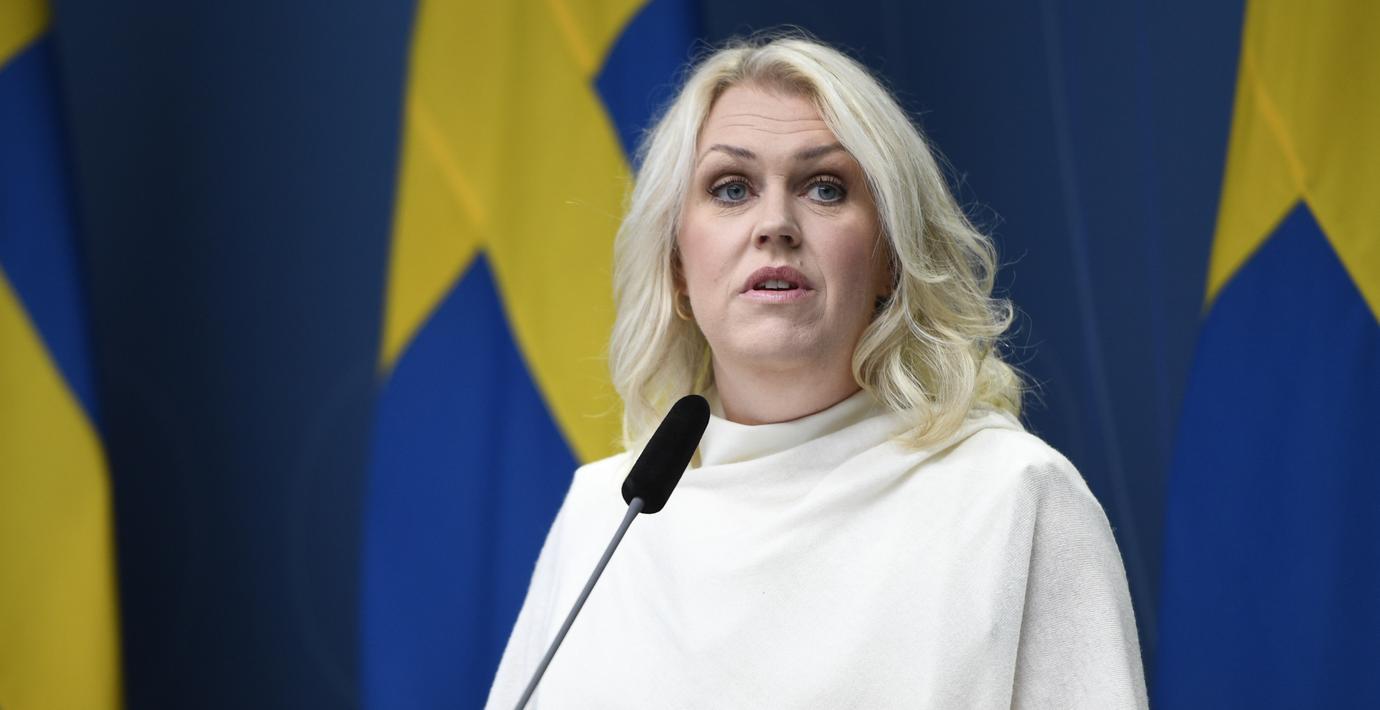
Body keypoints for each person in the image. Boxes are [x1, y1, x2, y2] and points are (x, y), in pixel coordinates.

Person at [487, 33, 1147, 709]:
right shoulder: (604, 516)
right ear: (677, 265)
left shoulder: (1009, 496)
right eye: (732, 188)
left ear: (890, 257)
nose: (775, 224)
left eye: (825, 188)